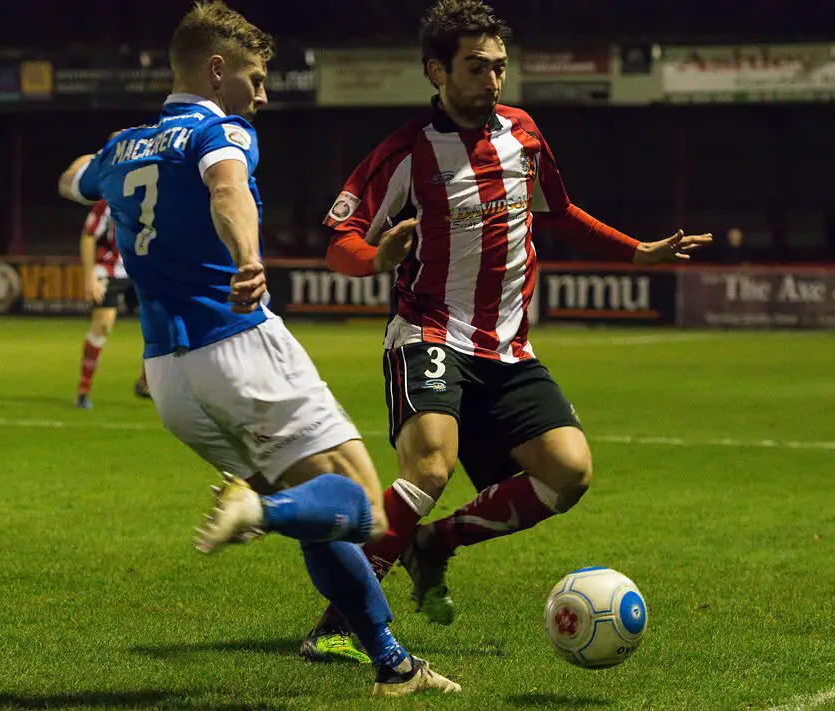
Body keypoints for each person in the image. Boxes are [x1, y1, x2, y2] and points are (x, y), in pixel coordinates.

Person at [56, 1, 458, 697]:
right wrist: (248, 256)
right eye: (256, 78)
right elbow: (226, 187)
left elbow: (74, 176)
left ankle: (393, 665)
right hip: (238, 345)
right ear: (217, 71)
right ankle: (256, 513)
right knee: (363, 505)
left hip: (168, 378)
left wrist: (101, 165)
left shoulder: (126, 147)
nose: (263, 96)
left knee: (318, 517)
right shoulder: (221, 132)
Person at [302, 0, 712, 662]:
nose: (492, 79)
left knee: (568, 472)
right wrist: (374, 257)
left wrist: (636, 251)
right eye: (476, 67)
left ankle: (434, 543)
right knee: (429, 466)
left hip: (509, 349)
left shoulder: (523, 133)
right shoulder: (406, 152)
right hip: (430, 332)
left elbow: (560, 210)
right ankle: (337, 623)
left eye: (498, 66)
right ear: (437, 71)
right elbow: (338, 241)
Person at [75, 197, 150, 409]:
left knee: (162, 323)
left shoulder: (154, 196)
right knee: (103, 324)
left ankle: (145, 381)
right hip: (109, 268)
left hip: (143, 269)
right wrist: (89, 277)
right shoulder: (108, 199)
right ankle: (83, 390)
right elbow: (88, 235)